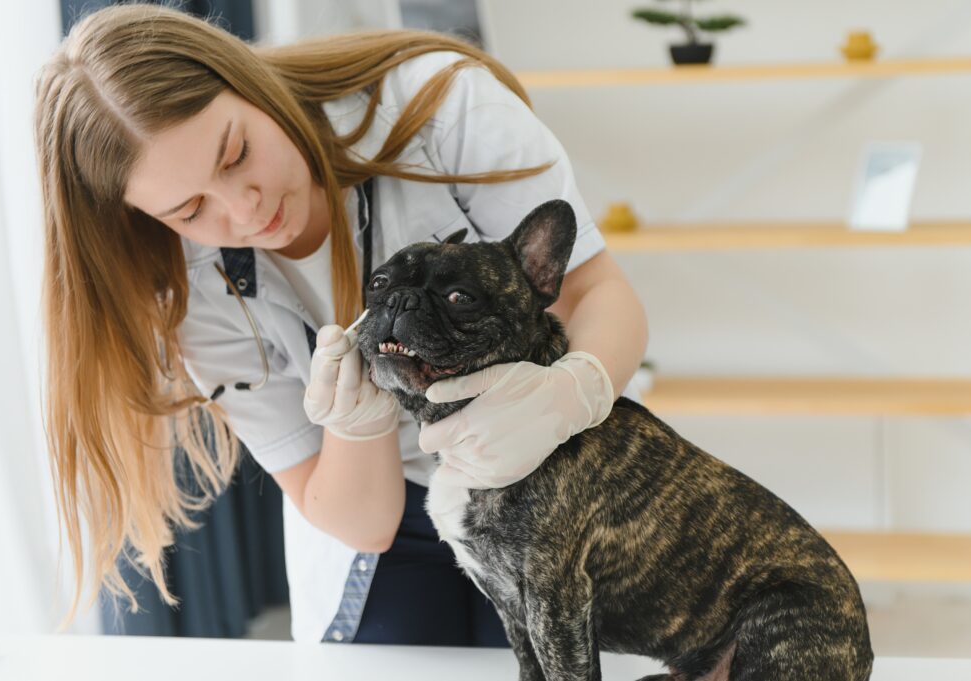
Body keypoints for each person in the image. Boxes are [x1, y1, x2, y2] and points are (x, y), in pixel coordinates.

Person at [36, 4, 648, 645]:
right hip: (393, 515)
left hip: (550, 470)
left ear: (248, 80)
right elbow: (365, 523)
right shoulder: (192, 290)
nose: (244, 212)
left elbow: (597, 294)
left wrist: (573, 393)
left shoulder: (439, 105)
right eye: (190, 209)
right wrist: (358, 425)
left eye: (237, 153)